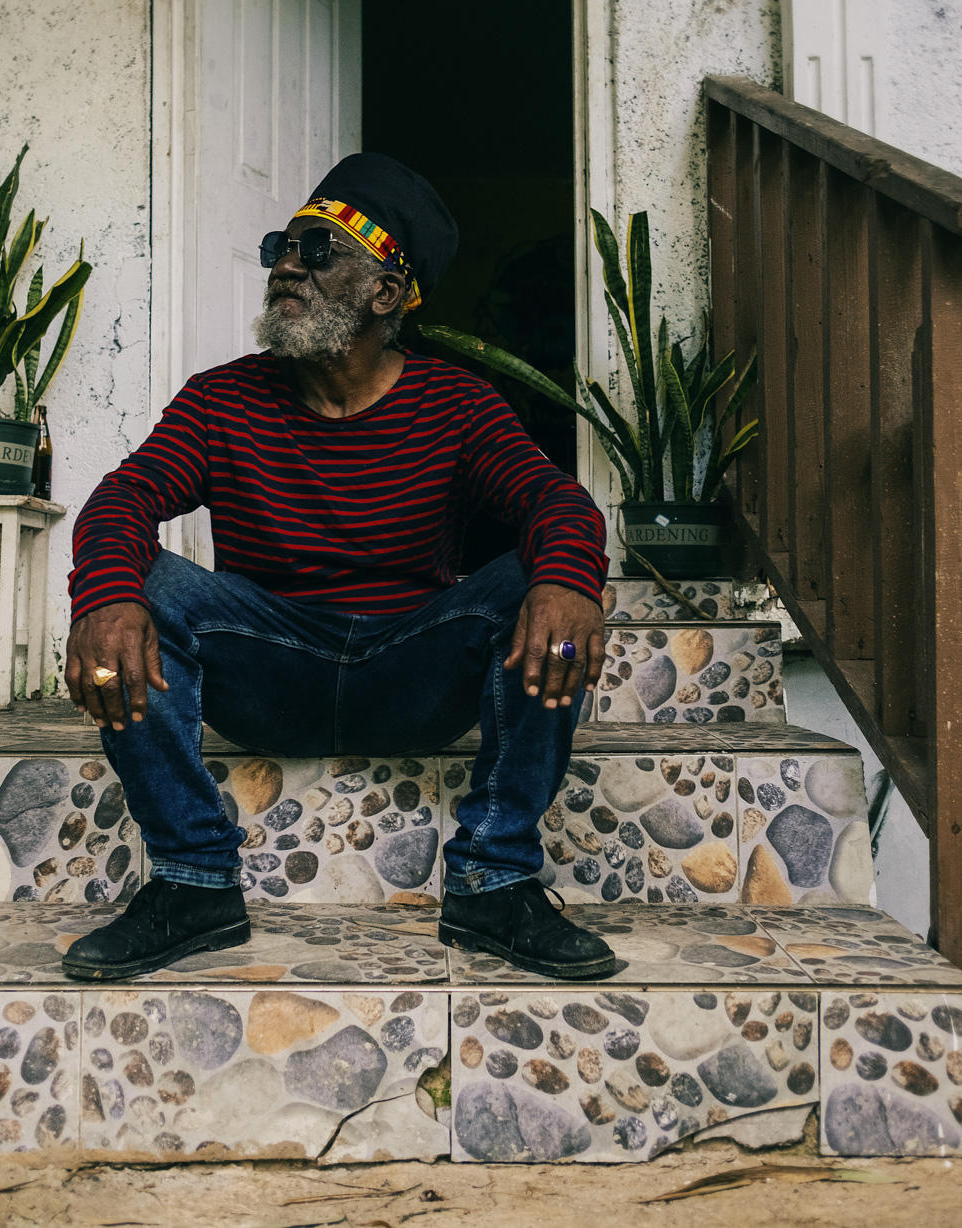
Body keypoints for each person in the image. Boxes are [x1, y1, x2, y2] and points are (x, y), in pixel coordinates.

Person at [60, 153, 616, 982]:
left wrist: (569, 581)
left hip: (412, 670)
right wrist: (104, 597)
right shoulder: (221, 400)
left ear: (385, 292)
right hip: (270, 672)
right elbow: (121, 500)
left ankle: (494, 881)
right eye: (282, 247)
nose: (287, 264)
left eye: (317, 252)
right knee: (141, 582)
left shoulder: (457, 404)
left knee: (537, 583)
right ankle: (192, 880)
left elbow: (557, 502)